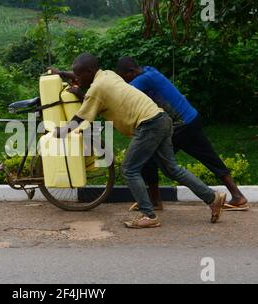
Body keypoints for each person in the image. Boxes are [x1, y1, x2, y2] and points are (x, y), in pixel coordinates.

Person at [53, 53, 227, 229]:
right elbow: (88, 91)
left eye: (78, 75)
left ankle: (148, 215)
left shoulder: (96, 89)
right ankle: (212, 198)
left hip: (148, 125)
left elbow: (80, 118)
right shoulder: (107, 75)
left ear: (89, 72)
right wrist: (62, 73)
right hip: (161, 118)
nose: (76, 79)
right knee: (172, 169)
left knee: (129, 169)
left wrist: (60, 132)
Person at [115, 56, 249, 211]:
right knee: (210, 158)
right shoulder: (149, 70)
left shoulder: (144, 80)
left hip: (181, 125)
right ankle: (238, 196)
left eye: (125, 77)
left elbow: (121, 95)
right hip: (191, 118)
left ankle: (156, 201)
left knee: (149, 159)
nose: (125, 81)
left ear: (131, 71)